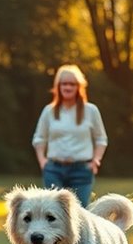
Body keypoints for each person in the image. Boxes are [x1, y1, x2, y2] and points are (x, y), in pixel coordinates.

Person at [31, 64, 108, 208]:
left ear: (79, 86)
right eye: (64, 84)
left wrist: (96, 160)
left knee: (80, 216)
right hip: (54, 170)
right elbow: (39, 138)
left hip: (81, 171)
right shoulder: (49, 111)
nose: (67, 87)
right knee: (54, 214)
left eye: (72, 84)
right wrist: (43, 161)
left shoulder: (91, 111)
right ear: (58, 86)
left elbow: (101, 139)